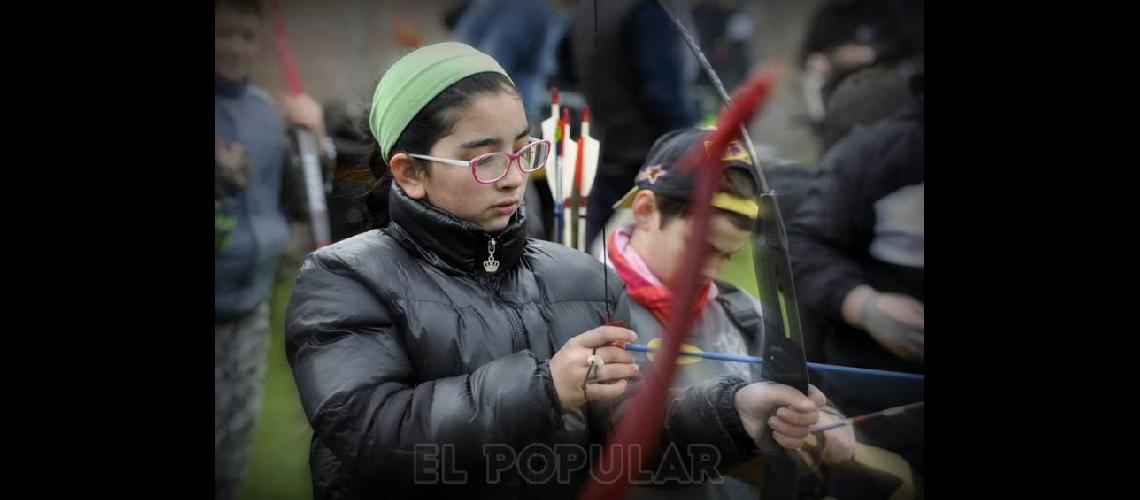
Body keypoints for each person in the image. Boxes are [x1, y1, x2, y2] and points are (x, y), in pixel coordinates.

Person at [284, 42, 829, 499]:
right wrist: (544, 387)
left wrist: (735, 414)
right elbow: (372, 436)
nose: (513, 177)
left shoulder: (582, 278)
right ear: (410, 172)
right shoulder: (344, 279)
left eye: (525, 150)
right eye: (485, 158)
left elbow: (631, 448)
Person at [602, 127, 859, 498]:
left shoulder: (739, 309)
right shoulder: (587, 305)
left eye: (726, 255)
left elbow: (790, 391)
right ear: (645, 210)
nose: (711, 271)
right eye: (699, 248)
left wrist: (819, 416)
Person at [214, 0, 333, 499]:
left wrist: (316, 136)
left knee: (233, 439)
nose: (236, 47)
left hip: (250, 303)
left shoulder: (265, 113)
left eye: (246, 35)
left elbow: (305, 197)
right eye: (223, 33)